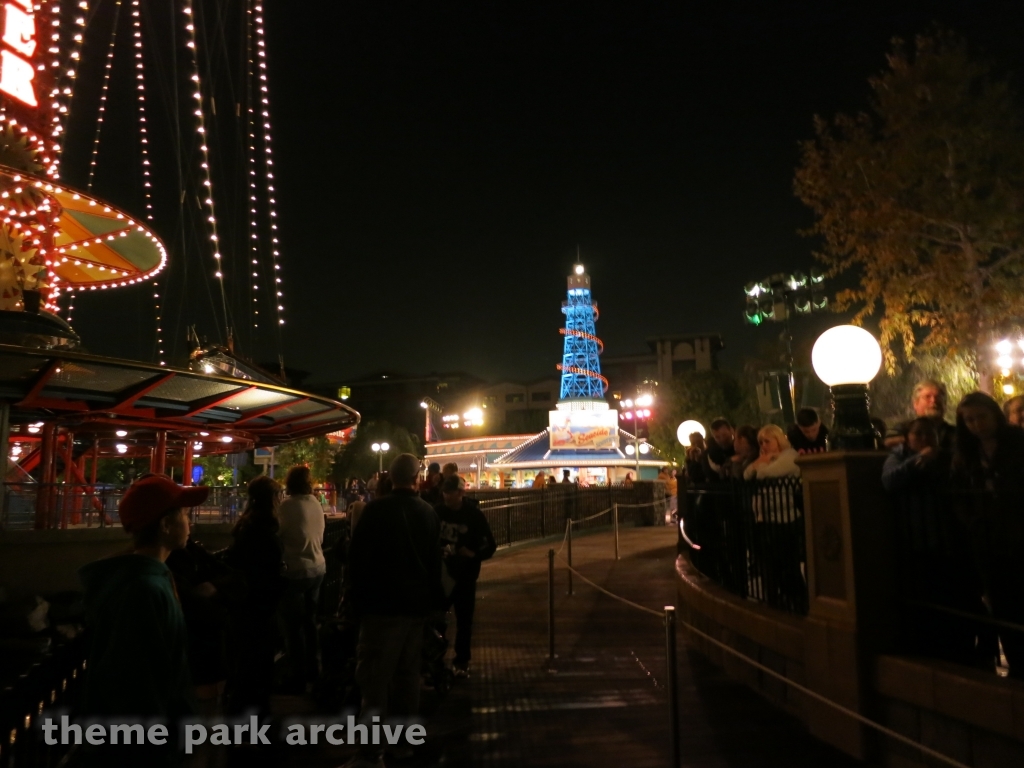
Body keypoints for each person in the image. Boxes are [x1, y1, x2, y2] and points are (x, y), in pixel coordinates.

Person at [78, 475, 208, 763]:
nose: (190, 522)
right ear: (165, 526)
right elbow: (138, 682)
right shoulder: (144, 590)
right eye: (185, 515)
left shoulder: (143, 579)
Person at [346, 454, 443, 767]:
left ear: (390, 477)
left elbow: (357, 561)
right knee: (407, 678)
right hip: (415, 608)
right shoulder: (428, 513)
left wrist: (353, 603)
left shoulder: (375, 511)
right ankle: (403, 744)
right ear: (417, 478)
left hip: (380, 607)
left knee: (374, 681)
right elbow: (433, 563)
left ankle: (370, 752)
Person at [952, 392, 1024, 679]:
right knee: (1001, 601)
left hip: (1017, 531)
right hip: (988, 539)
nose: (976, 425)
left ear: (994, 414)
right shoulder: (966, 453)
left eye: (981, 417)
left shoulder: (1016, 443)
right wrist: (973, 520)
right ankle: (1018, 663)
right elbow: (958, 495)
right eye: (969, 420)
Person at [224, 475, 285, 716]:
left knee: (246, 666)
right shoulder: (266, 531)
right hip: (260, 606)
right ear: (272, 499)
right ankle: (255, 718)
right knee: (258, 666)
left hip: (246, 605)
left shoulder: (246, 526)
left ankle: (244, 714)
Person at [435, 475, 496, 677]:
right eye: (445, 491)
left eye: (451, 492)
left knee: (464, 621)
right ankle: (436, 658)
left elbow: (489, 544)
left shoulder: (473, 515)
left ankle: (461, 661)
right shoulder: (437, 512)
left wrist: (473, 554)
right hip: (442, 574)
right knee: (435, 619)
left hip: (464, 576)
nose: (447, 495)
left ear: (461, 493)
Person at [744, 425, 804, 611]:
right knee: (771, 566)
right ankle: (777, 601)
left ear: (778, 440)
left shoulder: (790, 456)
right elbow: (747, 475)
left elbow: (764, 474)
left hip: (787, 519)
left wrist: (761, 464)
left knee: (788, 565)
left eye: (767, 441)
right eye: (761, 442)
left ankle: (798, 601)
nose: (764, 445)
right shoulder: (767, 458)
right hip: (767, 519)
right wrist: (761, 461)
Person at [278, 465, 327, 692]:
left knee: (293, 626)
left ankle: (296, 675)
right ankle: (314, 669)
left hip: (295, 570)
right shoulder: (315, 503)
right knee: (310, 622)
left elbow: (279, 534)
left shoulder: (287, 506)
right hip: (317, 567)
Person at [886, 380, 955, 451]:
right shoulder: (904, 428)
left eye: (938, 397)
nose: (934, 400)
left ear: (945, 404)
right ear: (916, 404)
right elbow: (887, 442)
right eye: (927, 397)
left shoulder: (956, 434)